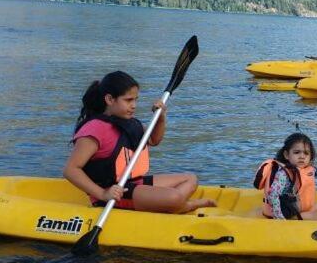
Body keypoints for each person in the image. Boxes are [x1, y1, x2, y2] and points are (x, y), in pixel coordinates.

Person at [64, 71, 216, 213]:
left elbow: (153, 140)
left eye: (136, 100)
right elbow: (71, 170)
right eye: (128, 100)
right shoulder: (95, 129)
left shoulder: (130, 123)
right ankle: (183, 205)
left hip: (135, 183)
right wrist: (103, 193)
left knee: (191, 178)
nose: (134, 105)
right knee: (174, 197)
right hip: (114, 192)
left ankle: (171, 204)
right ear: (110, 99)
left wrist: (161, 118)